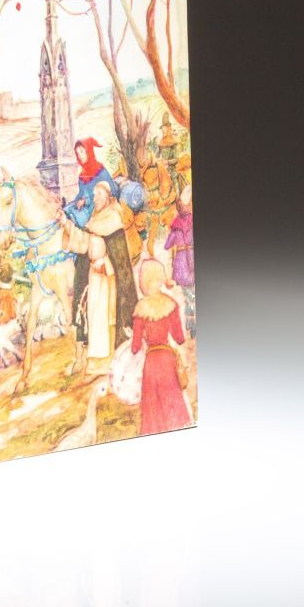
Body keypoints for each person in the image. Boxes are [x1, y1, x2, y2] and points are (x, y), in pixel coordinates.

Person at [130, 258, 191, 434]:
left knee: (153, 410)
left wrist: (141, 337)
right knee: (173, 406)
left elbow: (134, 348)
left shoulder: (140, 308)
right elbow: (179, 339)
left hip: (151, 362)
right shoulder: (170, 304)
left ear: (144, 280)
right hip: (167, 359)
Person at [80, 180, 139, 342]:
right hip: (97, 279)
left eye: (99, 195)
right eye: (94, 196)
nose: (95, 199)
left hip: (111, 278)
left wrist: (105, 263)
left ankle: (123, 331)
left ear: (108, 196)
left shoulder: (113, 218)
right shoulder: (95, 217)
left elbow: (121, 264)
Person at [162, 183, 194, 323]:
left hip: (181, 263)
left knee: (187, 293)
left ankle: (190, 320)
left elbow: (167, 245)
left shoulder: (176, 225)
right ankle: (192, 321)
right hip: (192, 259)